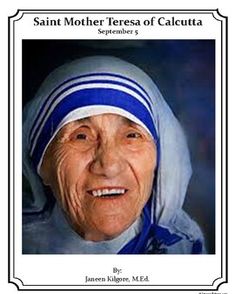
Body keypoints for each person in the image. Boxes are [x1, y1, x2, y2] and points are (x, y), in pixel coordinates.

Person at [22, 55, 206, 254]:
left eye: (132, 135)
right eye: (81, 136)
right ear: (42, 164)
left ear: (158, 159)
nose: (109, 166)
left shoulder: (185, 248)